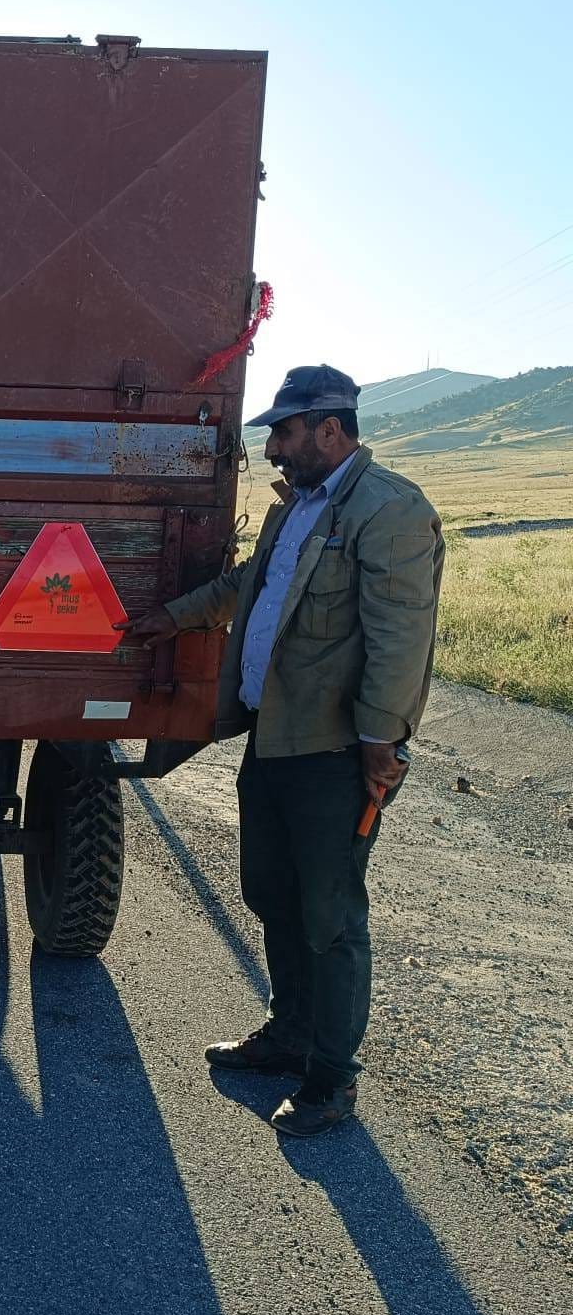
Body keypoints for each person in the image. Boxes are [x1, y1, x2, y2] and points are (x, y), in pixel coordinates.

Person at [118, 365, 444, 1137]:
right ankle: (289, 1034)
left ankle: (330, 1079)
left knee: (329, 917)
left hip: (335, 753)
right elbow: (249, 585)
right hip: (273, 738)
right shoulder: (299, 507)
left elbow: (401, 640)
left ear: (330, 428)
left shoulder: (389, 509)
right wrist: (175, 616)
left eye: (285, 434)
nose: (273, 450)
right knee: (271, 892)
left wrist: (381, 741)